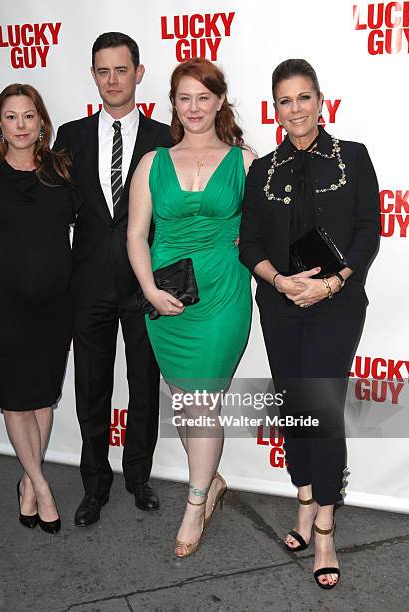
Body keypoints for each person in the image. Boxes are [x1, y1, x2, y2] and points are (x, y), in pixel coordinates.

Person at [239, 59, 380, 588]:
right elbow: (248, 241)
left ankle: (324, 522)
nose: (294, 110)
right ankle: (303, 499)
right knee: (293, 405)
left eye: (303, 98)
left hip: (336, 304)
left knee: (320, 407)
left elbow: (369, 231)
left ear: (321, 101)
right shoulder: (263, 170)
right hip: (279, 304)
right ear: (274, 109)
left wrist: (333, 282)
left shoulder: (353, 158)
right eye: (284, 101)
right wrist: (278, 282)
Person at [127, 58, 255, 558]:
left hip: (223, 294)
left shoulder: (244, 161)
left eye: (205, 97)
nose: (195, 107)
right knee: (184, 401)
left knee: (202, 401)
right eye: (185, 98)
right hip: (166, 295)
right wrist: (148, 290)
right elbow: (136, 234)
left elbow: (266, 228)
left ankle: (195, 502)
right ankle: (212, 481)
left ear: (220, 101)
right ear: (174, 104)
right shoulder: (152, 163)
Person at [53, 32, 172, 525]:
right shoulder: (71, 136)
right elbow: (45, 205)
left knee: (144, 386)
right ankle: (94, 485)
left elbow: (190, 204)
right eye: (103, 71)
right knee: (91, 387)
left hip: (146, 284)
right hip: (88, 285)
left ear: (139, 72)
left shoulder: (167, 137)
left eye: (121, 69)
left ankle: (138, 477)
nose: (112, 80)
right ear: (93, 75)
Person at [0, 84, 80, 534]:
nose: (20, 125)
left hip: (56, 303)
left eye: (28, 116)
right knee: (15, 400)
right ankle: (42, 487)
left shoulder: (62, 173)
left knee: (43, 398)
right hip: (4, 304)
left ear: (41, 122)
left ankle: (28, 484)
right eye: (11, 117)